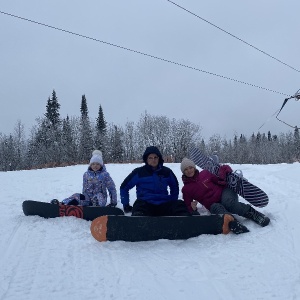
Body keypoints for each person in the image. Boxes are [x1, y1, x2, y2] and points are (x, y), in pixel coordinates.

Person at [180, 157, 270, 229]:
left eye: (190, 167)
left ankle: (254, 214)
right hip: (212, 204)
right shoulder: (186, 189)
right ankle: (232, 223)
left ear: (194, 167)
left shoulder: (206, 173)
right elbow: (188, 206)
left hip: (224, 193)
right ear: (183, 172)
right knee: (216, 208)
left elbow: (221, 180)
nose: (189, 170)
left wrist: (224, 171)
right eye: (186, 169)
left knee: (228, 203)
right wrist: (192, 208)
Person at [120, 146, 190, 216]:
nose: (153, 160)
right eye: (150, 158)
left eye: (155, 157)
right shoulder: (139, 172)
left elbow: (174, 186)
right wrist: (126, 205)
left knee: (179, 204)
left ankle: (186, 223)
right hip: (146, 204)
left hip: (164, 204)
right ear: (146, 159)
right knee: (138, 205)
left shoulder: (167, 172)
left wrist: (173, 200)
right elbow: (124, 187)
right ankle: (139, 223)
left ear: (159, 158)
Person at [53, 150, 117, 207]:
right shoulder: (86, 175)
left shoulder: (105, 175)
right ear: (90, 165)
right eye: (93, 164)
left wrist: (113, 202)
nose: (95, 166)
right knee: (76, 195)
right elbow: (84, 187)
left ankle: (97, 208)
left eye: (98, 164)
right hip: (88, 198)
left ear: (101, 165)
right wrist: (82, 198)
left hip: (100, 199)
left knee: (99, 195)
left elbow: (112, 188)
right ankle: (63, 204)